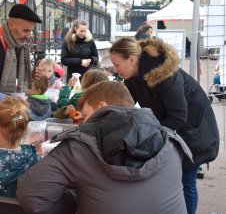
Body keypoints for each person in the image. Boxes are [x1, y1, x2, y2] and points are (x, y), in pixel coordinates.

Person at [17, 81, 192, 214]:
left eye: (85, 115)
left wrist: (77, 199)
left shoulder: (79, 147)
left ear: (102, 107)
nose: (82, 122)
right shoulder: (171, 141)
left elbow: (32, 197)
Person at [109, 37, 219, 214]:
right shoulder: (133, 75)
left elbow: (178, 116)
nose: (115, 69)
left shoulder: (164, 74)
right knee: (172, 180)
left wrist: (150, 134)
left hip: (194, 132)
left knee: (186, 181)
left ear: (131, 60)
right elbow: (125, 105)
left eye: (117, 64)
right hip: (176, 130)